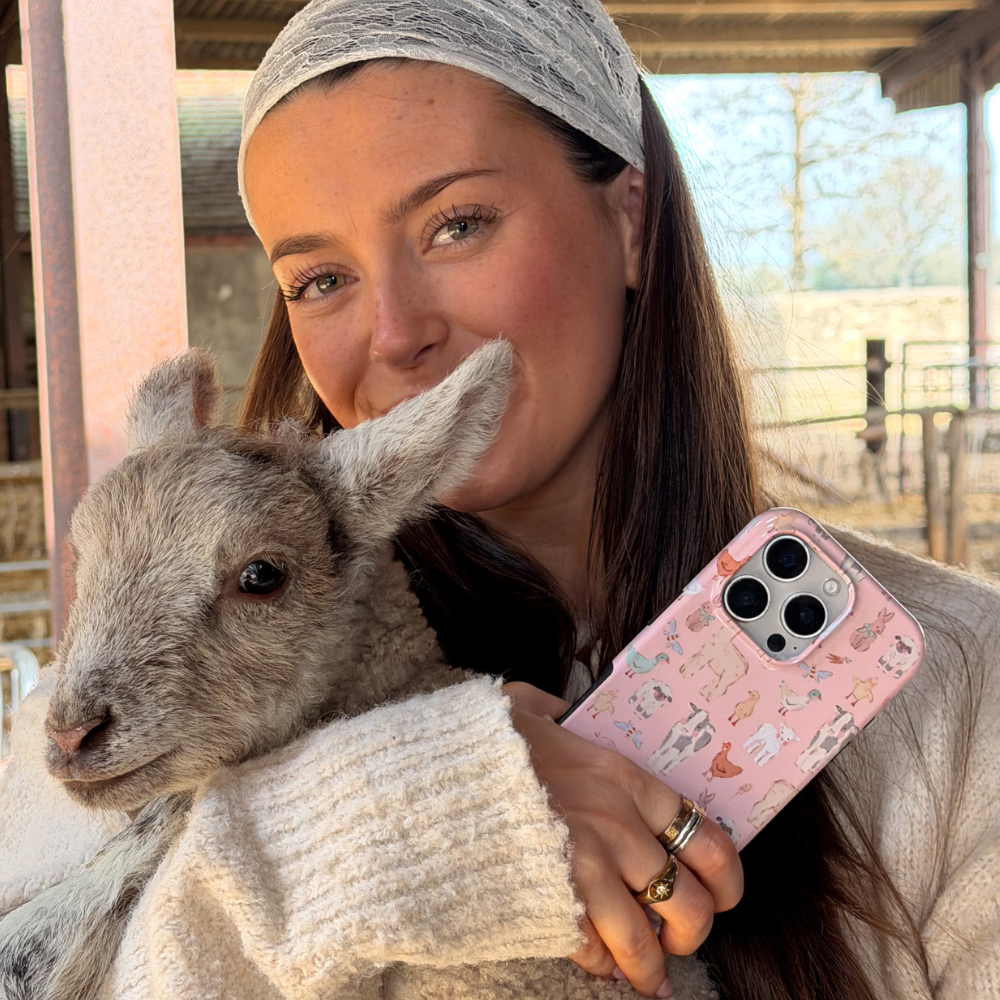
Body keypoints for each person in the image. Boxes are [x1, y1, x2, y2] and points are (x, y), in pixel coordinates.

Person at [1, 2, 998, 998]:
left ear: (631, 222)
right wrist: (387, 814)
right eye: (318, 278)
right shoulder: (116, 714)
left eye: (456, 225)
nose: (394, 334)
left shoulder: (962, 683)